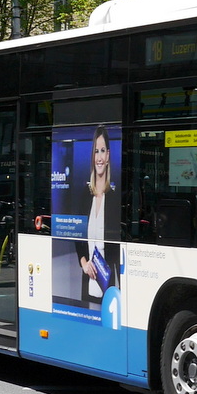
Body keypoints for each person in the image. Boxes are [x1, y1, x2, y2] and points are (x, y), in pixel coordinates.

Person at [76, 126, 118, 302]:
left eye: (102, 151)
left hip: (108, 283)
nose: (99, 157)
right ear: (92, 157)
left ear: (108, 156)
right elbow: (78, 237)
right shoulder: (85, 196)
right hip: (88, 281)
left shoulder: (115, 199)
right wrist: (84, 263)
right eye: (96, 152)